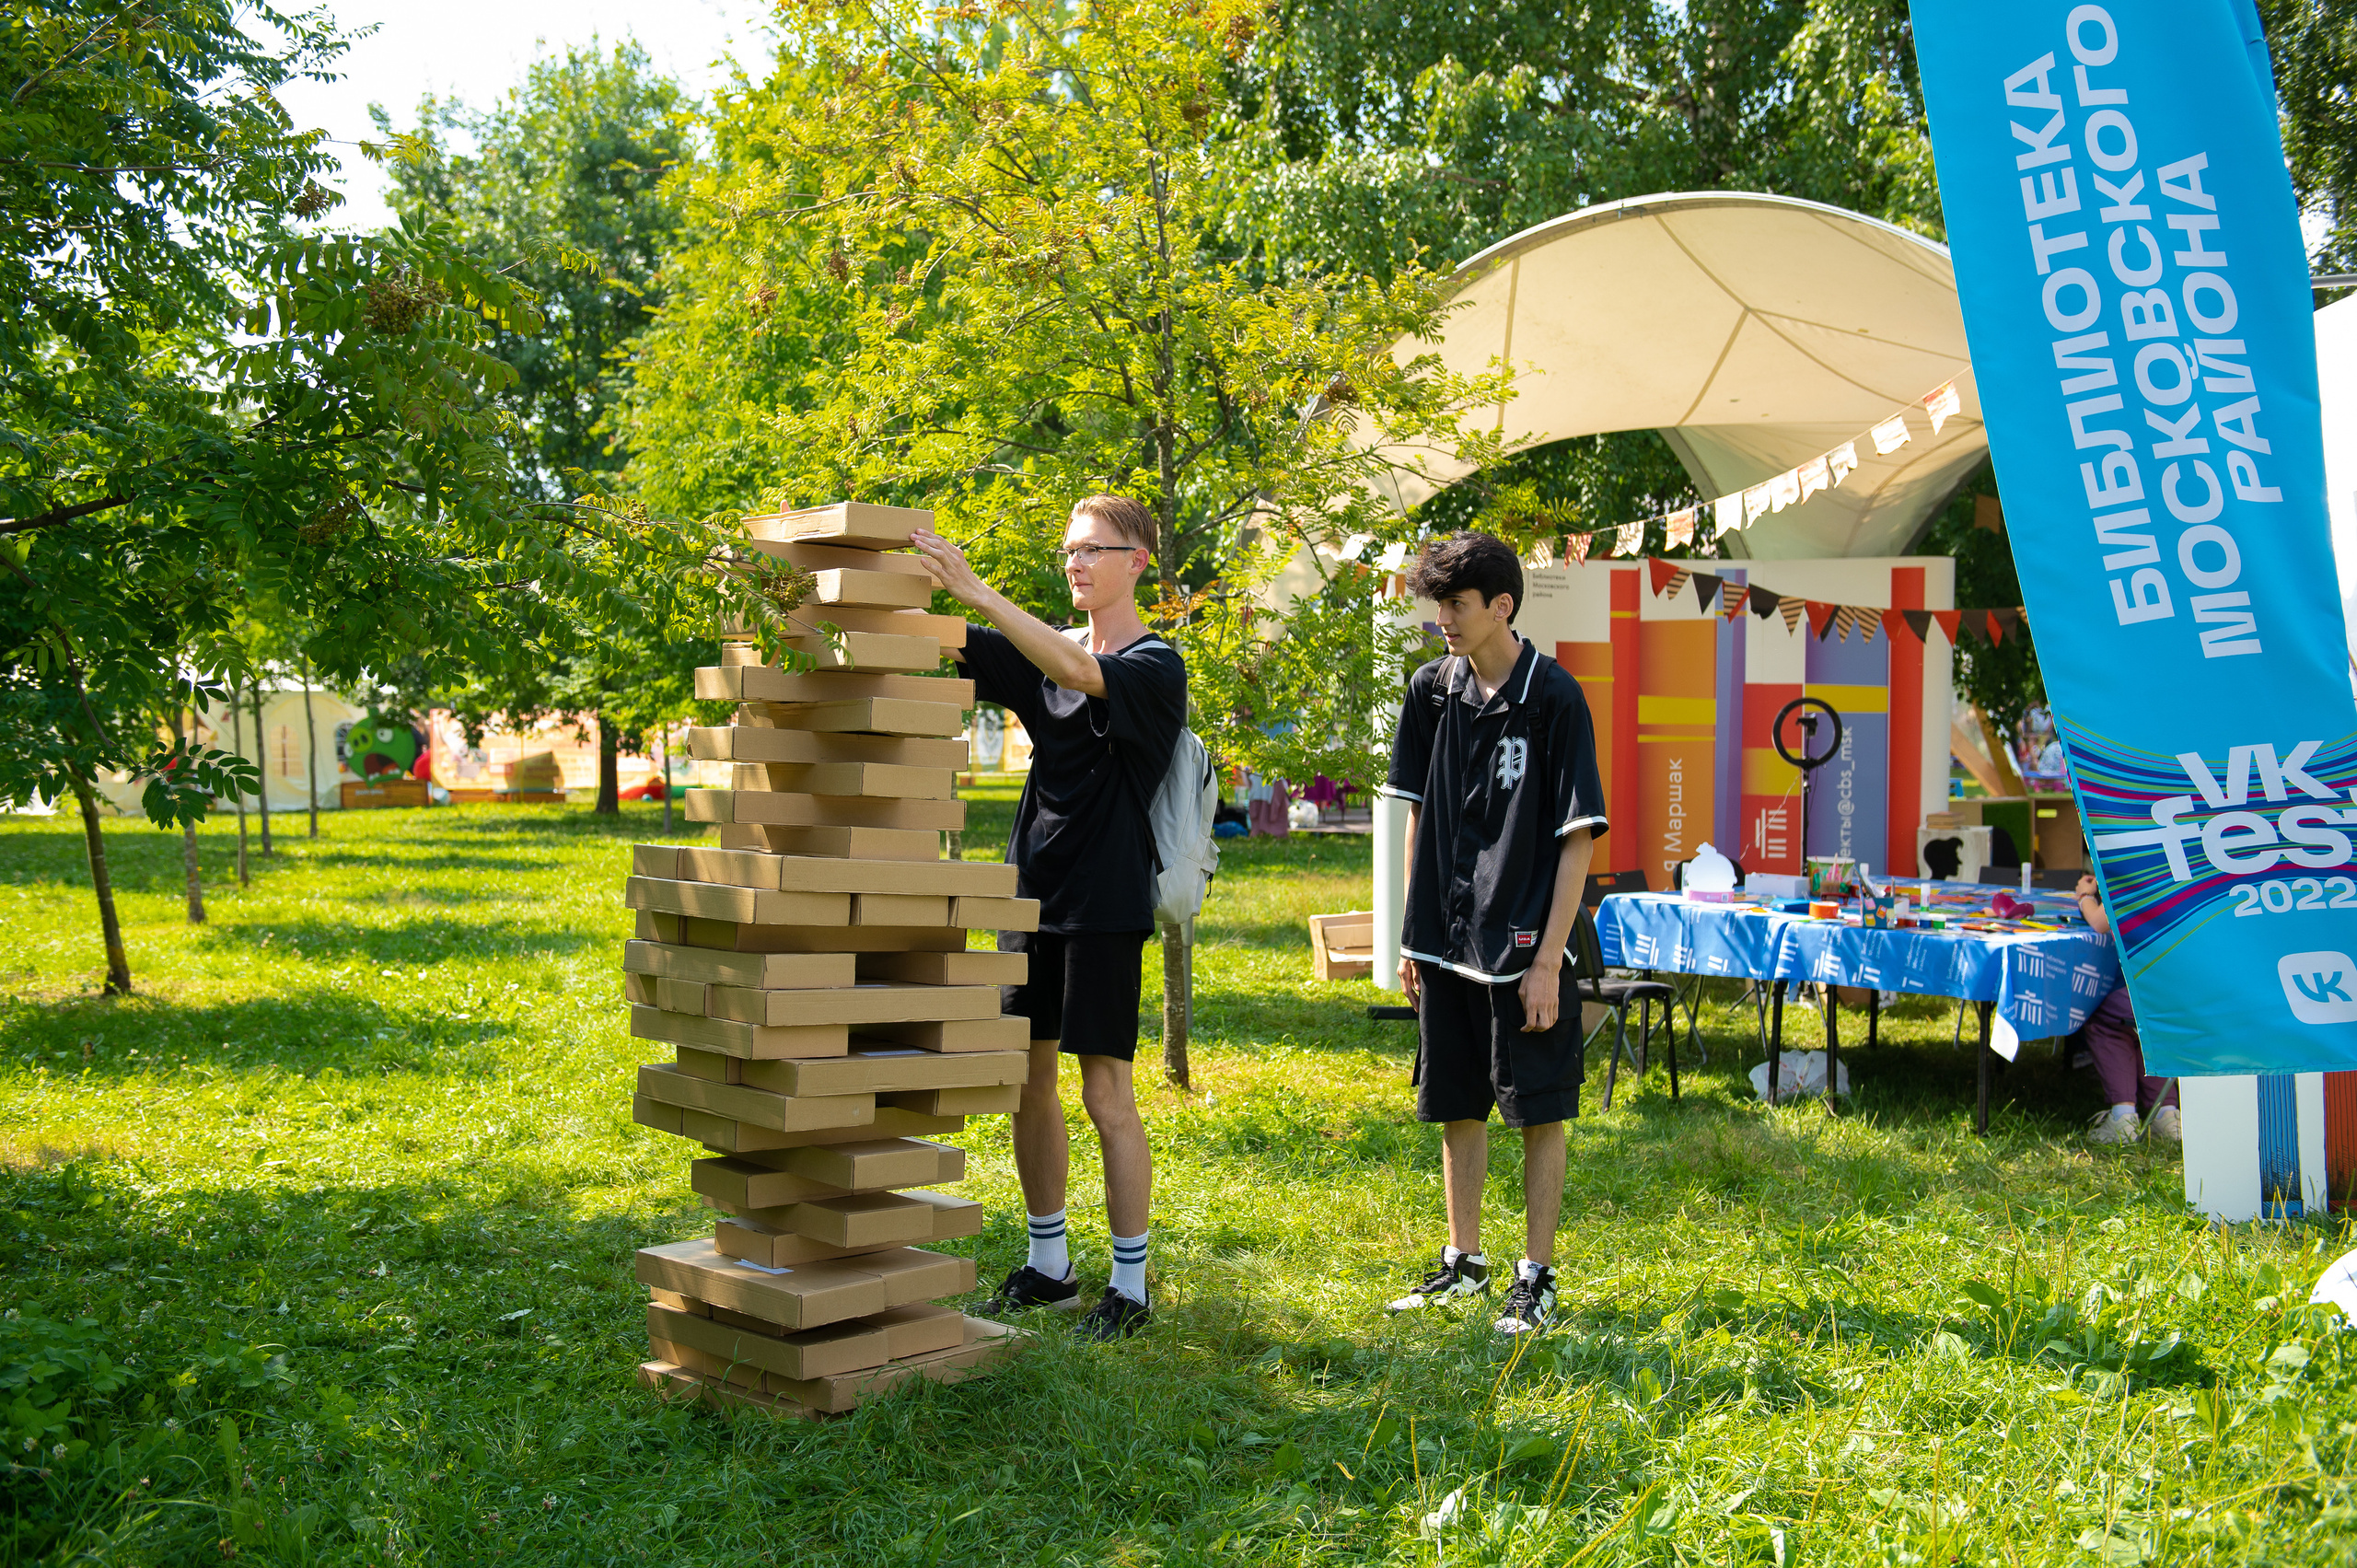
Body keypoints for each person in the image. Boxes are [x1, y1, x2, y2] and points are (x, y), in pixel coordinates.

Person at [910, 497, 1186, 1341]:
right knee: (1028, 1080)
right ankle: (1050, 1266)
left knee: (1105, 1092)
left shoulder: (1153, 665)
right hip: (1030, 898)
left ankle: (1130, 1285)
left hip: (1104, 905)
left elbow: (1079, 672)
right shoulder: (1040, 657)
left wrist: (979, 590)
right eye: (1067, 550)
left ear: (1137, 562)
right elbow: (935, 644)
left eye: (1092, 549)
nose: (1074, 562)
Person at [1378, 532, 1605, 1336]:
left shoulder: (1554, 698)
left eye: (1457, 604)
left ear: (1500, 606)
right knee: (1456, 1104)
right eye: (1438, 603)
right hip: (1444, 939)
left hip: (1521, 947)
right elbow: (1414, 814)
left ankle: (1535, 1277)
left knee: (1540, 1108)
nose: (1443, 618)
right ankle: (1463, 1262)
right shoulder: (1429, 691)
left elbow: (1577, 835)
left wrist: (1549, 961)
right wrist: (1412, 936)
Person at [2074, 873, 2181, 1145]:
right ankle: (2167, 1114)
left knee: (2104, 1018)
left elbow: (2100, 923)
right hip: (2179, 991)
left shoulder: (2131, 868)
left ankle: (2123, 1116)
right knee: (2145, 1032)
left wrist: (2085, 896)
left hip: (2139, 992)